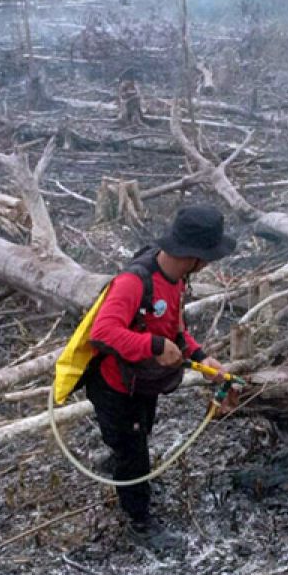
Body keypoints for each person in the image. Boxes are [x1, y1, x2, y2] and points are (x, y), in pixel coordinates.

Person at [86, 204, 235, 547]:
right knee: (134, 454)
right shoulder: (133, 282)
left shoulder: (176, 280)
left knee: (139, 434)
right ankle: (139, 522)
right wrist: (153, 345)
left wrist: (201, 356)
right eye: (209, 257)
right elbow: (103, 332)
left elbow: (175, 329)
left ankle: (120, 458)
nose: (210, 264)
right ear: (195, 256)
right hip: (115, 386)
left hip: (143, 382)